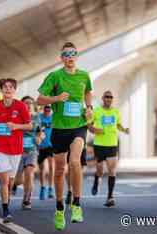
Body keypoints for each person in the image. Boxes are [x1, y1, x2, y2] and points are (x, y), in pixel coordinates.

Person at [37, 42, 93, 230]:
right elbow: (39, 100)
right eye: (66, 54)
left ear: (77, 56)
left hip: (78, 126)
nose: (70, 57)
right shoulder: (55, 76)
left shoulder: (84, 75)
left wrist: (89, 109)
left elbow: (87, 92)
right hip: (60, 128)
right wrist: (56, 98)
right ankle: (60, 208)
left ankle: (76, 204)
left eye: (73, 53)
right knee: (60, 169)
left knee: (75, 162)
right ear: (61, 58)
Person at [0, 78, 31, 223]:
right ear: (1, 89)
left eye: (10, 87)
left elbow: (29, 126)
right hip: (0, 147)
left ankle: (8, 198)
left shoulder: (20, 106)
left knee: (11, 182)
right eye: (5, 87)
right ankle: (6, 210)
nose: (8, 89)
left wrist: (16, 126)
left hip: (16, 148)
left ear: (14, 90)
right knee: (4, 180)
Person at [89, 90, 129, 207]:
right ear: (103, 98)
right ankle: (97, 180)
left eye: (110, 97)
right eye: (106, 97)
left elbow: (118, 124)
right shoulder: (96, 111)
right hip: (100, 145)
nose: (108, 99)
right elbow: (89, 125)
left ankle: (110, 197)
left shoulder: (116, 111)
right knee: (100, 170)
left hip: (112, 144)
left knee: (112, 171)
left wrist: (124, 130)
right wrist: (95, 130)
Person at [13, 96, 44, 210]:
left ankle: (27, 199)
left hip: (32, 150)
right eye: (26, 103)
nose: (29, 105)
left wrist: (39, 138)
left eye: (31, 103)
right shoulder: (17, 118)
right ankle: (15, 185)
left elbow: (40, 133)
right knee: (18, 180)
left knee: (29, 174)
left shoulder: (36, 118)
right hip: (18, 151)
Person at [37, 105, 55, 200]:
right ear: (43, 109)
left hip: (51, 145)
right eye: (46, 109)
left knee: (52, 166)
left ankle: (51, 188)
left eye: (49, 109)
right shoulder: (39, 117)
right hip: (41, 146)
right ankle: (43, 187)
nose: (47, 110)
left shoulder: (53, 117)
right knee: (42, 168)